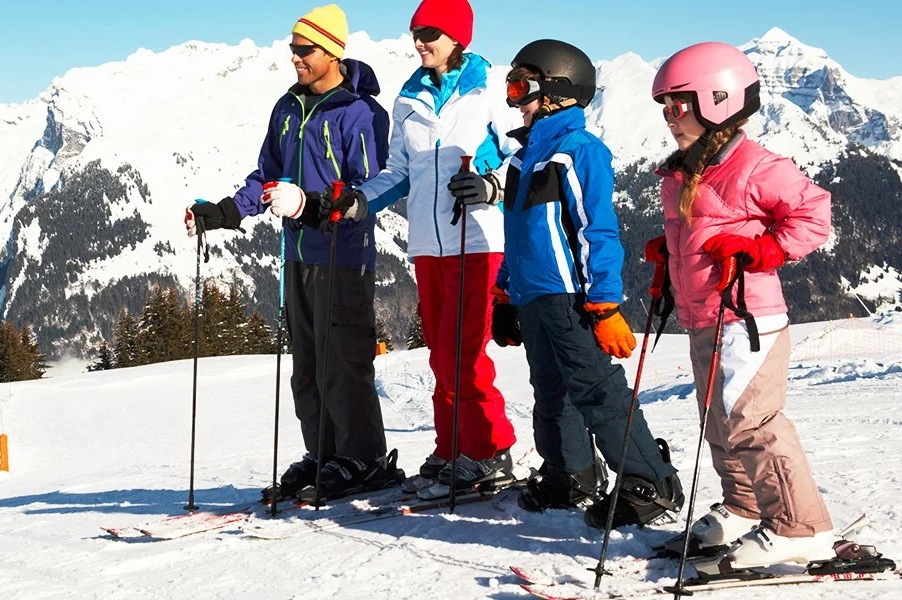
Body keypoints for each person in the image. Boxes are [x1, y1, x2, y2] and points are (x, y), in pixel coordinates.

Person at [460, 38, 682, 528]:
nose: (514, 100)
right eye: (511, 87)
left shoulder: (579, 151)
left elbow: (596, 231)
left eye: (521, 87)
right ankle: (571, 473)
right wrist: (505, 293)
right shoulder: (523, 160)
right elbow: (517, 235)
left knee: (597, 390)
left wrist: (604, 304)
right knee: (550, 390)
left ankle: (649, 481)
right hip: (533, 295)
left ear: (558, 92)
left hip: (570, 296)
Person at [185, 4, 400, 503]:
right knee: (307, 365)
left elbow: (370, 189)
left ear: (332, 51)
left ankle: (363, 459)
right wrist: (226, 212)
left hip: (343, 256)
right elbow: (266, 176)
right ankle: (324, 453)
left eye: (305, 50)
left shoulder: (361, 113)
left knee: (343, 361)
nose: (295, 58)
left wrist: (311, 205)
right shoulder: (287, 108)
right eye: (292, 49)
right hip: (298, 254)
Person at [322, 0, 521, 498]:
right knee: (441, 352)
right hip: (429, 245)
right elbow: (399, 173)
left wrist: (492, 185)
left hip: (478, 240)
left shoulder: (487, 89)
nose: (419, 41)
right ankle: (452, 447)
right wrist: (358, 200)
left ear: (457, 37)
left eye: (430, 32)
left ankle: (490, 450)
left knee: (467, 353)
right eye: (415, 32)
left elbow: (523, 156)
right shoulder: (408, 97)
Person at [650, 41, 835, 566]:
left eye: (678, 105)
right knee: (718, 420)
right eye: (665, 107)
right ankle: (744, 506)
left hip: (748, 317)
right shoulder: (687, 171)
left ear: (719, 100)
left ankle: (801, 527)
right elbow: (703, 230)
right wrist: (671, 252)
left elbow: (814, 213)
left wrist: (767, 249)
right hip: (704, 316)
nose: (669, 117)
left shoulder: (755, 166)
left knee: (752, 421)